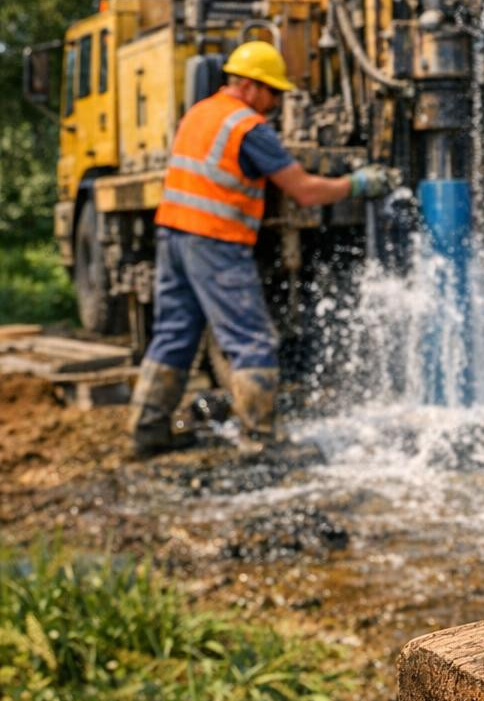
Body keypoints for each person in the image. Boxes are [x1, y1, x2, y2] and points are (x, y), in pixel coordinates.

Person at [130, 40, 397, 456]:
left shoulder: (199, 113)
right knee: (251, 340)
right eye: (273, 92)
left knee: (173, 335)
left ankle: (146, 432)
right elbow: (304, 191)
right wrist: (358, 184)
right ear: (251, 85)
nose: (274, 103)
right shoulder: (248, 127)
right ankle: (261, 439)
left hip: (173, 234)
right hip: (216, 239)